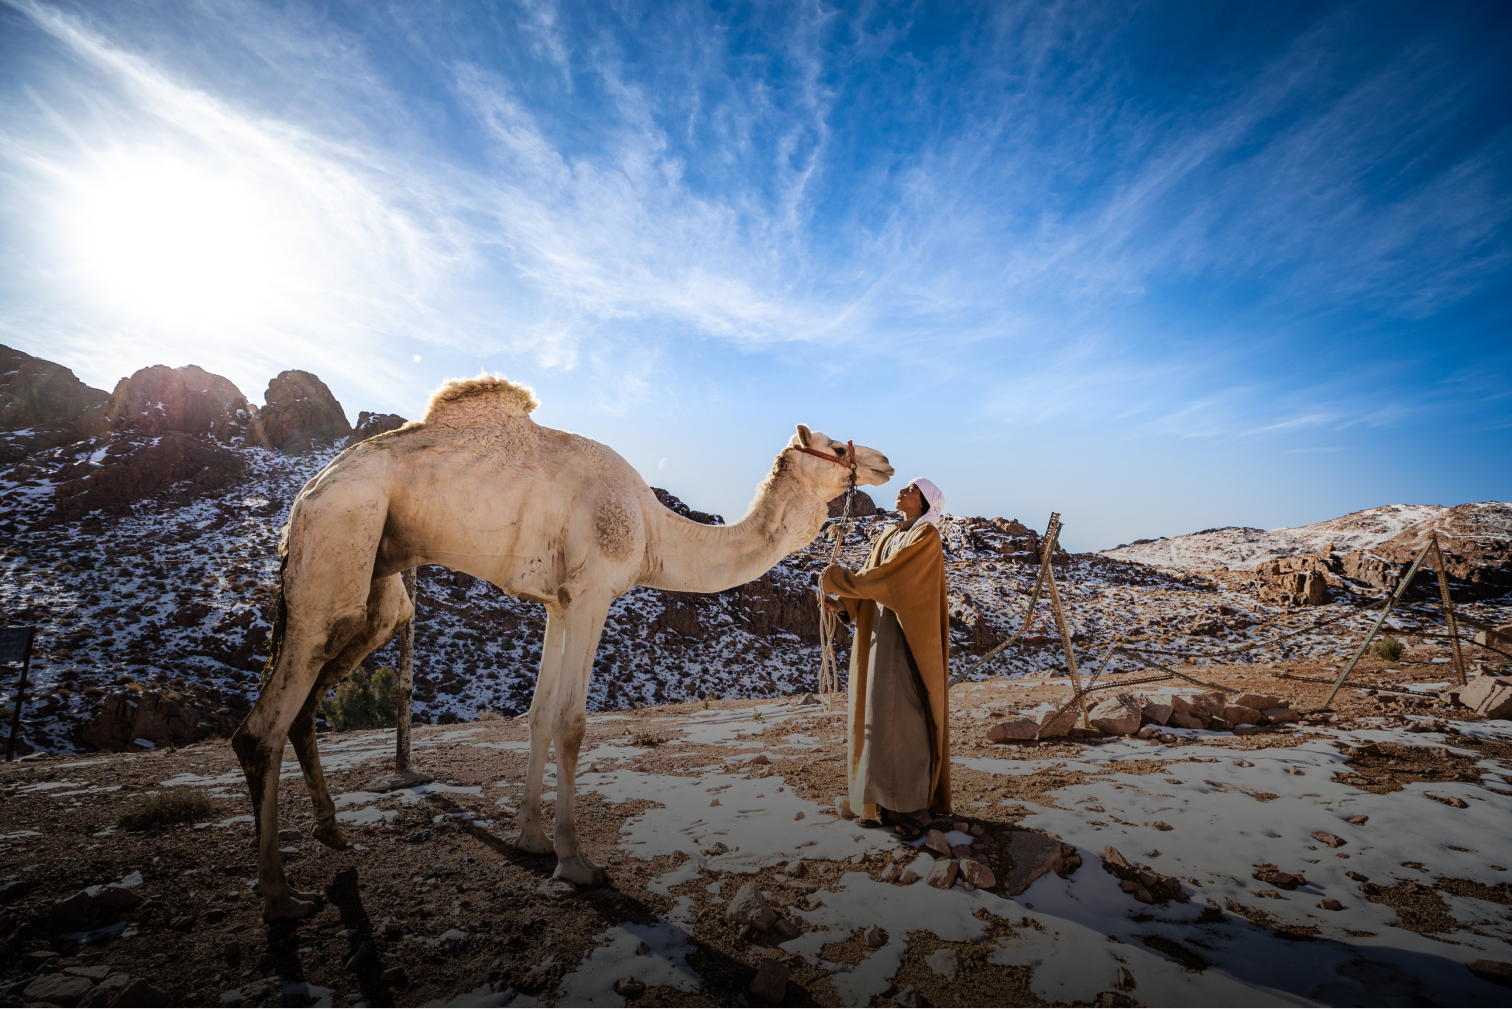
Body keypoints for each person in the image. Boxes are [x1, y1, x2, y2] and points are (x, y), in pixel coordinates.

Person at [820, 478, 951, 836]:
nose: (902, 491)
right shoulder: (888, 536)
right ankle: (877, 804)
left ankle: (911, 809)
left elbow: (892, 582)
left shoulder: (926, 538)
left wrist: (840, 579)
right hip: (880, 637)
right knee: (876, 718)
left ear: (925, 501)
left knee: (904, 717)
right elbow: (872, 581)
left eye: (911, 488)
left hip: (906, 643)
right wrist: (844, 606)